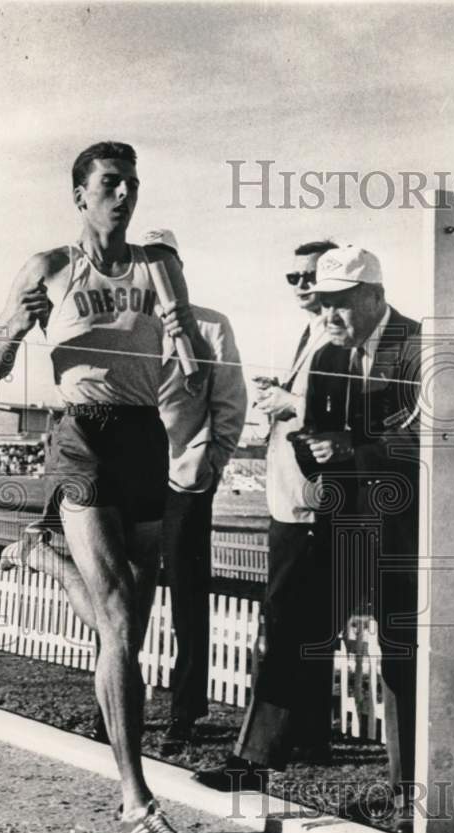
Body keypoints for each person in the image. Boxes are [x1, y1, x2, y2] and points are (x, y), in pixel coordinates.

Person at [0, 141, 210, 833]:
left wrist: (186, 339)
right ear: (80, 195)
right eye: (111, 183)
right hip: (83, 436)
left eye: (132, 183)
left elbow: (196, 372)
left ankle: (46, 559)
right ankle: (137, 800)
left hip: (145, 437)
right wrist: (15, 327)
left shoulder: (159, 264)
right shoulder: (49, 266)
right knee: (116, 623)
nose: (124, 194)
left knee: (129, 629)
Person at [198, 239, 338, 792]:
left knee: (285, 625)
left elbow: (344, 412)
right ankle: (308, 735)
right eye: (294, 277)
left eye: (311, 276)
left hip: (311, 503)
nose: (302, 286)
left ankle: (255, 758)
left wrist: (290, 403)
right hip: (291, 498)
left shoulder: (337, 339)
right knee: (307, 627)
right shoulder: (312, 333)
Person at [297, 244, 422, 833]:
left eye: (341, 303)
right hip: (343, 522)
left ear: (375, 296)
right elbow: (315, 436)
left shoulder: (421, 347)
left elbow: (436, 442)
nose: (329, 316)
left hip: (407, 527)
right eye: (322, 303)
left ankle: (409, 789)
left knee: (403, 652)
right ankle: (255, 757)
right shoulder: (326, 354)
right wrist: (315, 449)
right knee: (295, 624)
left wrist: (354, 447)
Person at [142, 228, 248, 755]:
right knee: (123, 595)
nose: (157, 275)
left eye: (165, 264)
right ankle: (113, 704)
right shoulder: (122, 327)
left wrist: (210, 462)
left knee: (187, 596)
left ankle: (185, 713)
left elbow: (230, 403)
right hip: (131, 476)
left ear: (180, 269)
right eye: (146, 264)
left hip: (185, 478)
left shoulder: (211, 325)